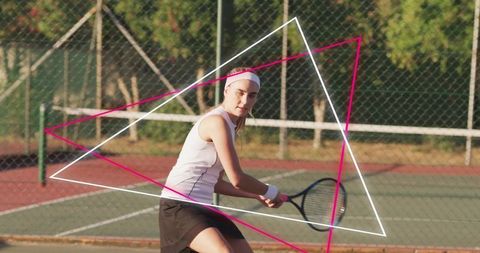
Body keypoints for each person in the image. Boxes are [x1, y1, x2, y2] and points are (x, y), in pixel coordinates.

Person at [159, 67, 284, 253]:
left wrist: (257, 194)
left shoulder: (230, 126)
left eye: (252, 95)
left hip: (203, 207)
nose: (245, 101)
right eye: (240, 93)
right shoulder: (217, 122)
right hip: (179, 206)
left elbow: (216, 183)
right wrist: (271, 191)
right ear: (226, 91)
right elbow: (238, 179)